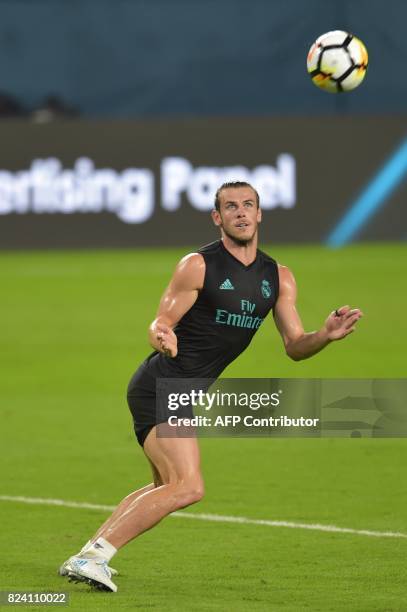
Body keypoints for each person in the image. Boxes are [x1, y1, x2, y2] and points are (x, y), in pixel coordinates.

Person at [59, 181, 363, 592]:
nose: (240, 212)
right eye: (230, 206)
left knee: (166, 486)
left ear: (259, 214)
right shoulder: (198, 265)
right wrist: (162, 336)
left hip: (180, 390)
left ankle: (90, 551)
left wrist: (323, 336)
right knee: (188, 486)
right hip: (162, 383)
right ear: (217, 217)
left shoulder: (279, 277)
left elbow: (294, 347)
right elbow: (160, 321)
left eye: (248, 205)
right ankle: (92, 558)